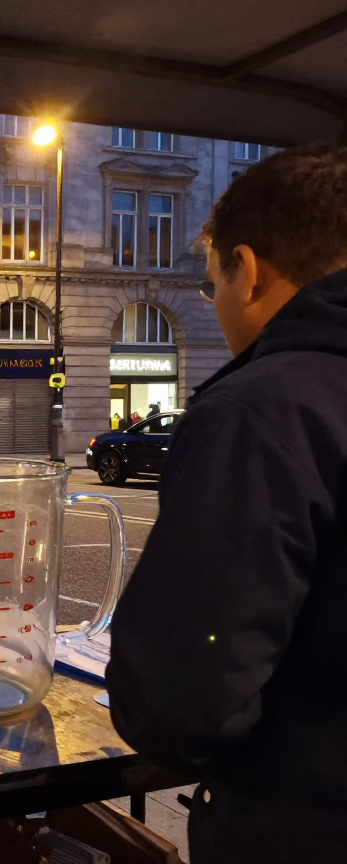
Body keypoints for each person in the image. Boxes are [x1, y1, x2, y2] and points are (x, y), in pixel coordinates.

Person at [106, 145, 347, 864]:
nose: (213, 304)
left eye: (212, 283)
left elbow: (184, 699)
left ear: (248, 271)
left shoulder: (261, 412)